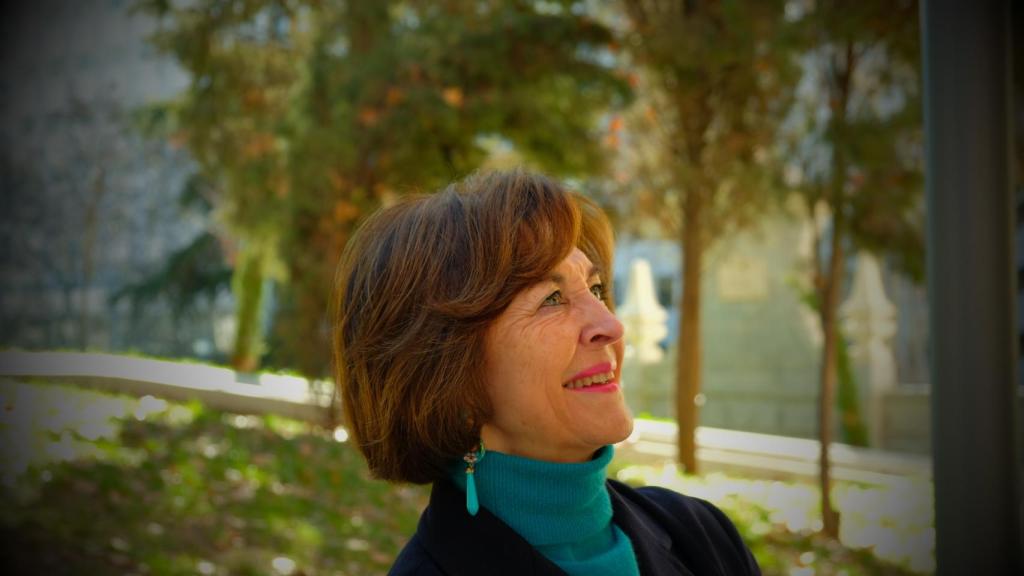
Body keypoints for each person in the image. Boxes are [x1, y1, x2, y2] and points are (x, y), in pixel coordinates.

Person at [332, 170, 760, 575]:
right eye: (552, 299)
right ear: (449, 376)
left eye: (596, 289)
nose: (611, 325)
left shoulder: (702, 535)